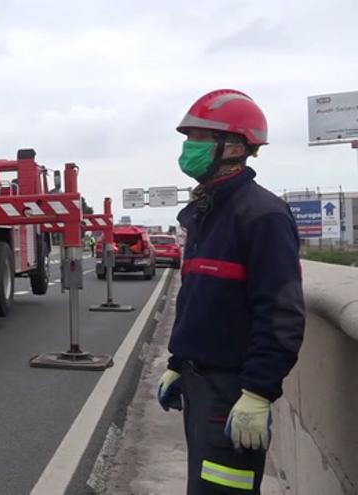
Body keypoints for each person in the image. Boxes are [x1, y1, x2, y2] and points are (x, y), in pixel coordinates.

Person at [156, 89, 305, 494]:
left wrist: (258, 393)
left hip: (234, 393)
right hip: (200, 385)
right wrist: (178, 360)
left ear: (235, 146)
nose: (189, 149)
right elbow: (197, 301)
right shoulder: (207, 213)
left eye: (200, 139)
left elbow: (282, 313)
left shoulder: (263, 216)